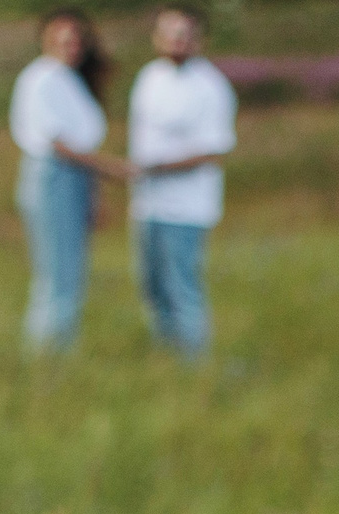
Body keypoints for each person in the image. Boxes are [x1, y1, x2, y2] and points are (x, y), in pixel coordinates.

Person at [9, 11, 133, 352]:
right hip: (53, 177)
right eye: (62, 38)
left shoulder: (70, 80)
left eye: (76, 39)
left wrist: (95, 196)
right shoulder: (42, 78)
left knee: (68, 275)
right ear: (45, 40)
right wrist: (110, 168)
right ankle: (48, 356)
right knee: (57, 276)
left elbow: (81, 143)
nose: (71, 46)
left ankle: (57, 350)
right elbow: (59, 144)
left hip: (73, 180)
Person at [127, 5, 236, 357]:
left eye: (185, 34)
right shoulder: (148, 77)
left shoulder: (211, 86)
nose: (178, 40)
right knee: (153, 287)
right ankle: (166, 355)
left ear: (199, 39)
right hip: (146, 204)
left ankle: (194, 363)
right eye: (170, 33)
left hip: (187, 208)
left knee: (183, 288)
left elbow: (212, 150)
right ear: (156, 37)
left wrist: (154, 169)